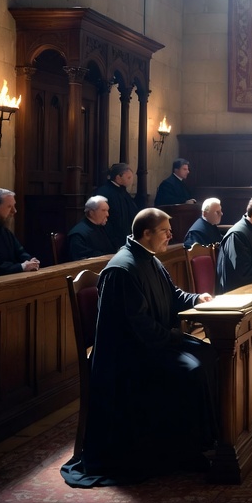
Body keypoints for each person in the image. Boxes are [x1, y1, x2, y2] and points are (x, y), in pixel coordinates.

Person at [60, 208, 218, 487]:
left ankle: (203, 440)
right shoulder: (123, 269)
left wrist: (197, 298)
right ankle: (184, 451)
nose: (171, 235)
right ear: (146, 234)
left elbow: (173, 295)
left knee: (208, 354)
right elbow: (138, 327)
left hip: (151, 343)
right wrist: (175, 339)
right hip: (127, 355)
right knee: (192, 369)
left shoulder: (150, 259)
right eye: (165, 231)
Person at [95, 163, 139, 249]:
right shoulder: (104, 192)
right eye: (128, 177)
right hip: (112, 239)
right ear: (118, 177)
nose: (131, 180)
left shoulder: (123, 192)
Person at [65, 196, 116, 261]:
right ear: (91, 213)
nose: (107, 214)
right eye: (103, 210)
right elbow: (81, 259)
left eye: (107, 210)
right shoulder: (78, 234)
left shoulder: (103, 228)